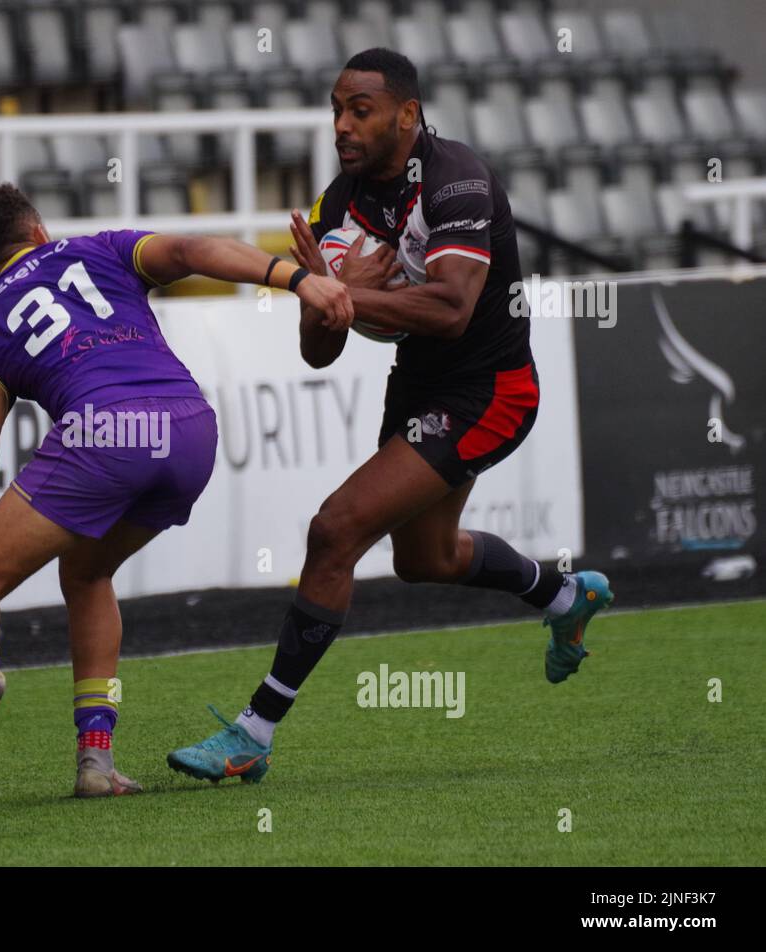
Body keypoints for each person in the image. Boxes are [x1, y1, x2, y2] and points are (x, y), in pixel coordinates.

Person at [167, 48, 614, 784]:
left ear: (407, 114)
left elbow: (448, 307)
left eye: (360, 110)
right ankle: (565, 593)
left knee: (335, 528)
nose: (341, 124)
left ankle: (253, 732)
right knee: (423, 560)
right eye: (336, 108)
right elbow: (318, 350)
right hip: (420, 385)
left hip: (491, 389)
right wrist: (323, 296)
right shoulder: (337, 203)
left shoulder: (457, 180)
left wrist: (336, 289)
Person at [0, 182, 354, 797]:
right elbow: (191, 251)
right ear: (38, 231)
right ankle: (95, 765)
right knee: (85, 574)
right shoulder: (100, 248)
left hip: (104, 431)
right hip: (188, 429)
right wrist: (297, 280)